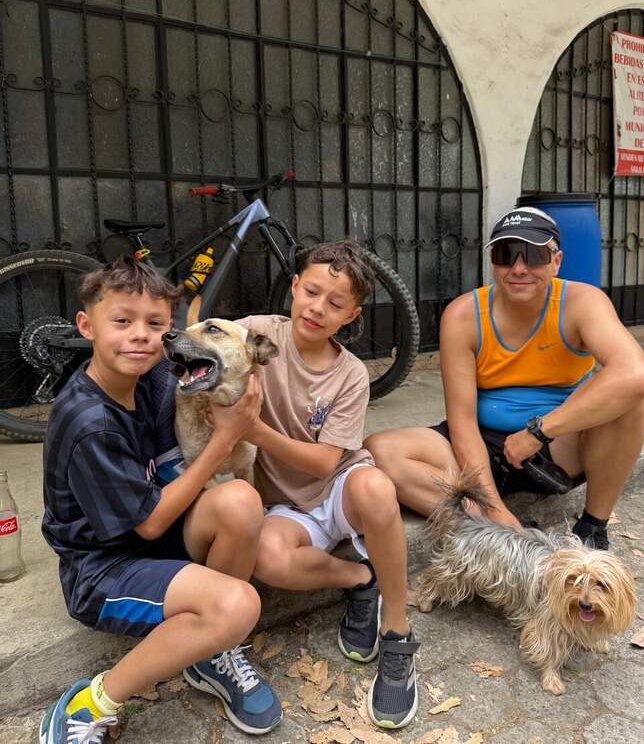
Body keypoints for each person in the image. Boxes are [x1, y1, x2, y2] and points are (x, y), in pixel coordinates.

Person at [40, 257, 283, 744]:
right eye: (121, 321)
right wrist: (227, 437)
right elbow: (149, 524)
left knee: (240, 499)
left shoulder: (153, 379)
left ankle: (209, 653)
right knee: (238, 606)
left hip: (155, 536)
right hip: (104, 569)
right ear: (86, 326)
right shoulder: (90, 422)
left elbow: (226, 371)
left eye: (155, 324)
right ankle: (89, 704)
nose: (140, 336)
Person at [366, 207, 644, 549]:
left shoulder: (581, 302)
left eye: (534, 256)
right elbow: (463, 422)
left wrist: (538, 431)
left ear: (556, 261)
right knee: (380, 451)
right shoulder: (464, 315)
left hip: (556, 447)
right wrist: (494, 508)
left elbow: (634, 373)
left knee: (632, 400)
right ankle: (499, 529)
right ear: (493, 263)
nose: (519, 268)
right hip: (481, 442)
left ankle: (592, 528)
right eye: (506, 254)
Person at [232, 239, 419, 731]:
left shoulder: (350, 374)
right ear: (294, 287)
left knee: (376, 487)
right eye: (312, 292)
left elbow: (323, 463)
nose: (318, 308)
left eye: (335, 304)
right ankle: (360, 579)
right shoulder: (253, 334)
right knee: (267, 557)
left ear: (351, 315)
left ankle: (397, 631)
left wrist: (254, 431)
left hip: (338, 487)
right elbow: (203, 346)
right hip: (285, 505)